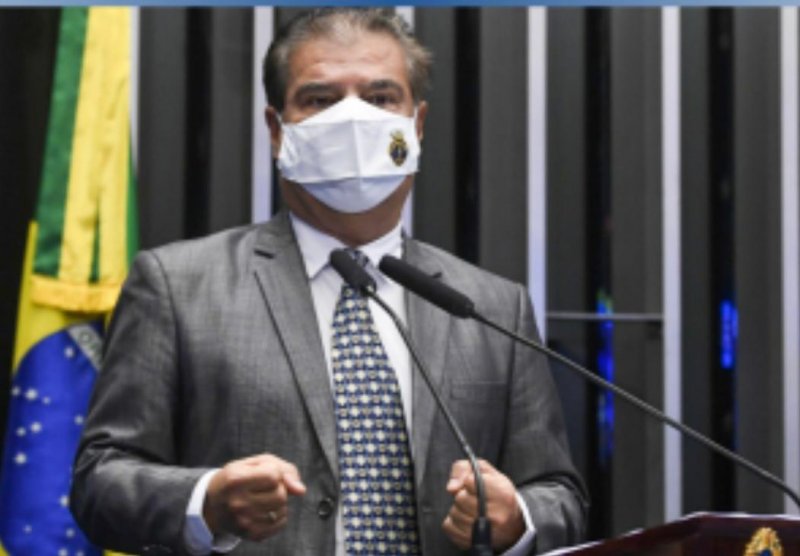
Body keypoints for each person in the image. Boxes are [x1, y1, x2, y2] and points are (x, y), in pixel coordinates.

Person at [71, 8, 587, 556]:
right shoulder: (177, 287)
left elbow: (559, 493)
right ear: (277, 131)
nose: (352, 119)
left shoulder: (490, 306)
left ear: (416, 125)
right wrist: (206, 501)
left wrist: (516, 520)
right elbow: (100, 482)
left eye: (381, 98)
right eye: (320, 100)